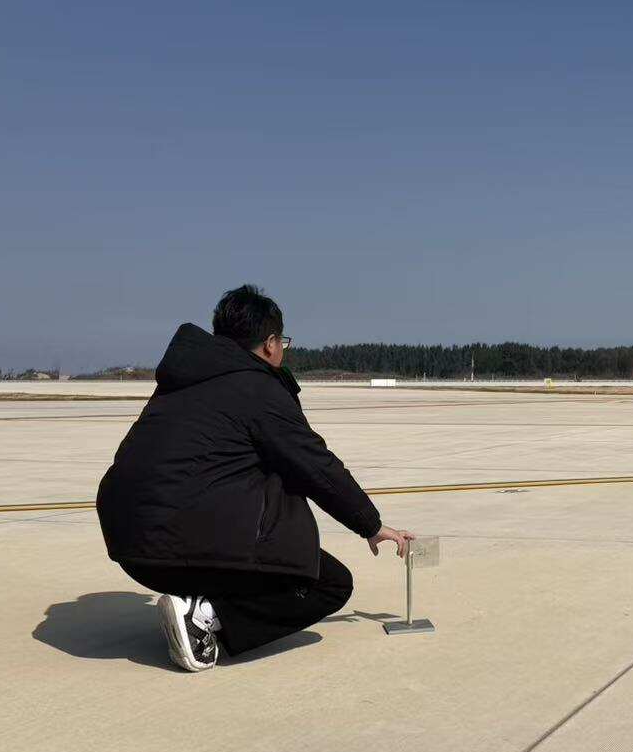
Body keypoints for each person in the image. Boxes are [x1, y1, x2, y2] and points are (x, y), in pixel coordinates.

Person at [97, 284, 414, 671]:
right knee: (328, 582)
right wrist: (371, 524)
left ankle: (194, 599)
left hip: (129, 544)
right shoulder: (255, 386)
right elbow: (314, 464)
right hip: (176, 546)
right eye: (284, 341)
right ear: (269, 344)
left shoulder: (179, 382)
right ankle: (204, 617)